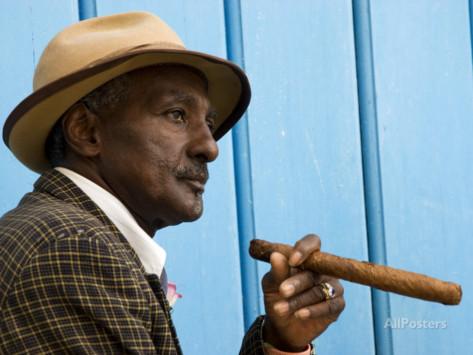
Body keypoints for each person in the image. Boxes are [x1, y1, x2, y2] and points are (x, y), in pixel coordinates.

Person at [0, 12, 345, 354]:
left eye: (208, 123)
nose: (210, 147)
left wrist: (282, 343)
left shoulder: (71, 236)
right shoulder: (71, 250)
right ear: (86, 131)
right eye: (177, 114)